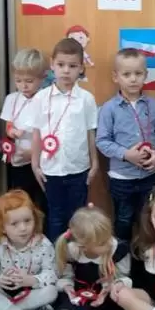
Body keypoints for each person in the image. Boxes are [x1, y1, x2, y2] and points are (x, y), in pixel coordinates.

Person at [18, 205, 132, 310]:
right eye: (101, 242)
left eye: (107, 237)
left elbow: (125, 279)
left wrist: (111, 287)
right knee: (64, 309)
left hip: (105, 297)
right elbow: (65, 276)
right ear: (83, 246)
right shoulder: (71, 250)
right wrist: (67, 287)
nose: (107, 242)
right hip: (79, 292)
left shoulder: (118, 249)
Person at [29, 38, 99, 243]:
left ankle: (77, 256)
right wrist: (35, 164)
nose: (66, 71)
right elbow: (37, 133)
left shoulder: (86, 99)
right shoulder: (41, 98)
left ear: (81, 68)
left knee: (78, 217)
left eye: (72, 66)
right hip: (51, 170)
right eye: (61, 65)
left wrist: (94, 164)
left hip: (79, 169)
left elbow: (90, 133)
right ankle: (57, 258)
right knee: (56, 216)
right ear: (52, 64)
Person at [96, 48, 155, 243]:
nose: (133, 79)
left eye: (138, 73)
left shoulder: (154, 105)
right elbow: (102, 141)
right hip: (122, 180)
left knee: (150, 221)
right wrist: (126, 154)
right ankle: (123, 259)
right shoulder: (109, 109)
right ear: (116, 77)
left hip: (151, 177)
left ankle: (148, 259)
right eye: (126, 74)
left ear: (146, 75)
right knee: (123, 221)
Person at [1, 48, 48, 217]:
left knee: (43, 202)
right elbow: (8, 125)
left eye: (29, 81)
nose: (24, 86)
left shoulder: (46, 99)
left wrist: (34, 153)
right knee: (22, 200)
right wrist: (12, 131)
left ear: (42, 77)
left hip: (42, 160)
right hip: (18, 160)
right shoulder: (12, 99)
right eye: (18, 81)